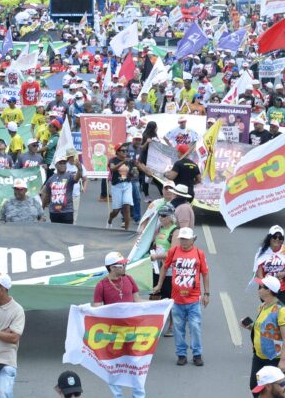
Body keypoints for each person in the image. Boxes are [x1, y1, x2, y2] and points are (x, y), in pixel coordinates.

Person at [153, 227, 210, 367]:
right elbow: (164, 268)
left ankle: (197, 354)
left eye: (186, 239)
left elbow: (205, 273)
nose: (183, 242)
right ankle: (181, 354)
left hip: (194, 299)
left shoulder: (199, 253)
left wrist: (206, 294)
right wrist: (159, 284)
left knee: (195, 326)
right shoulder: (173, 251)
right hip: (177, 300)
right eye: (182, 239)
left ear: (193, 239)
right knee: (178, 328)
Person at [92, 251, 144, 398]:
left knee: (136, 365)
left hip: (132, 331)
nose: (125, 266)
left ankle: (139, 396)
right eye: (121, 265)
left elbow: (138, 301)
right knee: (113, 367)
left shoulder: (129, 279)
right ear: (112, 267)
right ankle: (118, 396)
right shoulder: (101, 285)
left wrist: (160, 304)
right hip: (113, 334)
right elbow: (97, 309)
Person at [242, 275, 285, 397]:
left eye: (260, 287)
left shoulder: (281, 311)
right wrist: (250, 327)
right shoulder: (262, 307)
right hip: (259, 356)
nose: (258, 289)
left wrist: (283, 361)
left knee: (273, 391)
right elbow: (265, 330)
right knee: (255, 387)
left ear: (269, 290)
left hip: (274, 358)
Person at [253, 226, 285, 306]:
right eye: (274, 237)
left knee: (281, 311)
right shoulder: (262, 251)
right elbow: (259, 272)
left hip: (283, 289)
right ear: (270, 238)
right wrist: (265, 286)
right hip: (267, 289)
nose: (277, 239)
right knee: (269, 311)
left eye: (280, 238)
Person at [106, 143, 139, 230]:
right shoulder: (112, 160)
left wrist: (135, 172)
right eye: (123, 151)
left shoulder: (129, 160)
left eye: (126, 151)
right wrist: (123, 162)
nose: (125, 152)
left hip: (127, 185)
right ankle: (110, 220)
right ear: (117, 152)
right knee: (116, 211)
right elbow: (112, 169)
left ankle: (126, 231)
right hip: (116, 186)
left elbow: (132, 173)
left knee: (127, 207)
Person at [41, 156, 83, 224]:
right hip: (54, 212)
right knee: (55, 230)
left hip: (67, 211)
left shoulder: (69, 176)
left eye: (64, 163)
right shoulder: (51, 179)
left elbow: (76, 179)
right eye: (60, 163)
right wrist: (41, 209)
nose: (62, 165)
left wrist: (80, 169)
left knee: (67, 230)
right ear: (56, 165)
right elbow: (47, 196)